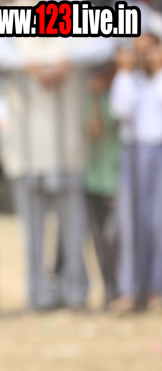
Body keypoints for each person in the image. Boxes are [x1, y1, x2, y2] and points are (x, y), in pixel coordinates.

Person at [0, 14, 112, 311]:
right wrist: (30, 65)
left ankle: (75, 292)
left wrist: (67, 61)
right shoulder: (15, 17)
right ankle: (37, 294)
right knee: (32, 234)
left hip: (69, 146)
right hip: (27, 148)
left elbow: (106, 44)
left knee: (74, 230)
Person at [109, 32, 162, 312]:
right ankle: (130, 289)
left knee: (159, 223)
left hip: (158, 149)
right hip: (133, 151)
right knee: (130, 224)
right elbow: (121, 109)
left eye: (149, 49)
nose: (143, 56)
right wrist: (126, 72)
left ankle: (157, 289)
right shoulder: (128, 79)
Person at [83, 63, 121, 308]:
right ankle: (109, 289)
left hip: (117, 177)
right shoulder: (91, 100)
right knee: (99, 240)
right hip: (95, 178)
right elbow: (93, 130)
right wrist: (95, 99)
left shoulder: (120, 97)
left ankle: (122, 288)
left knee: (113, 237)